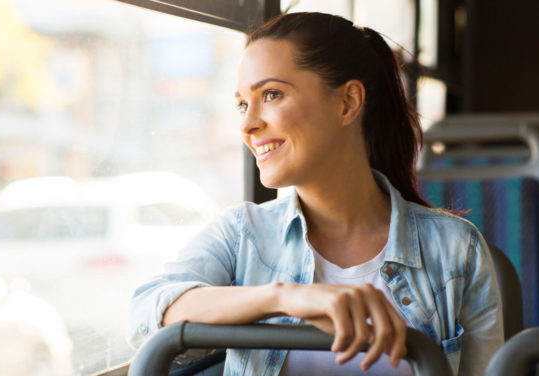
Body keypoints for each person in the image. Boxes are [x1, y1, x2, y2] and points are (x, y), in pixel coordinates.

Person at [127, 12, 503, 376]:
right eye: (243, 103)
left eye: (271, 94)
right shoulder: (242, 234)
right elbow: (147, 314)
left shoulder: (456, 251)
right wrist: (282, 297)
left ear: (347, 103)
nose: (247, 123)